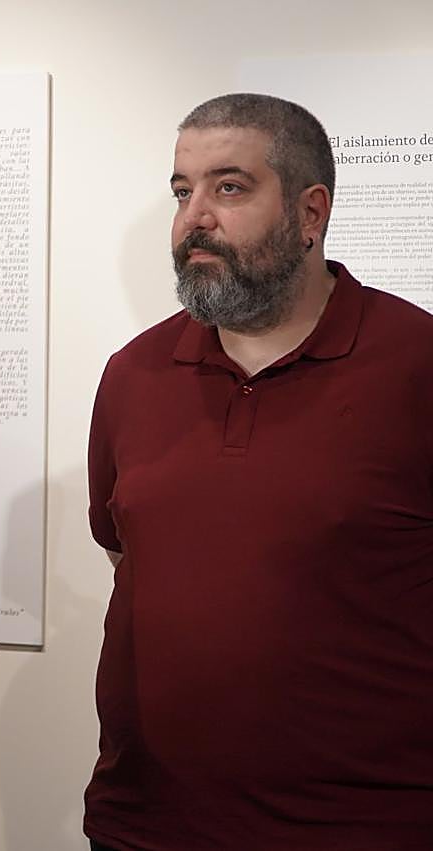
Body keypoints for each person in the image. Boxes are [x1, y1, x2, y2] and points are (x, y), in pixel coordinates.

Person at [85, 92, 433, 850]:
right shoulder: (134, 374)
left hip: (369, 827)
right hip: (145, 825)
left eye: (229, 187)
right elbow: (125, 549)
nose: (193, 217)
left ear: (312, 213)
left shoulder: (417, 364)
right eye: (182, 191)